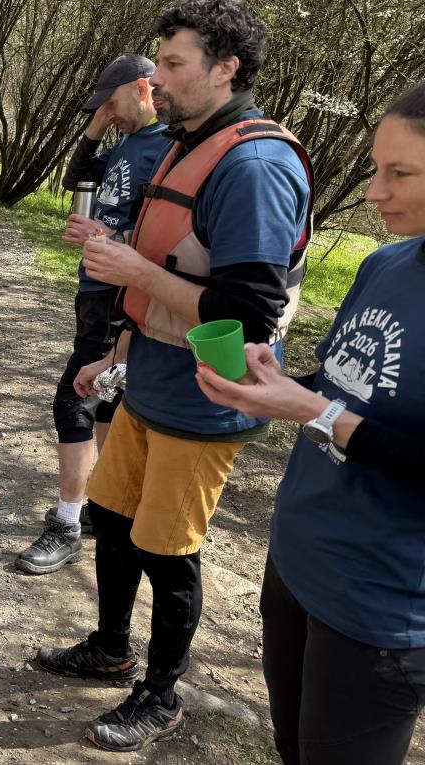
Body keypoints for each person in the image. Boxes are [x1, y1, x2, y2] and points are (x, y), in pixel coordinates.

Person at [33, 0, 313, 752]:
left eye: (173, 63)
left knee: (167, 549)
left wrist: (132, 269)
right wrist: (114, 353)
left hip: (205, 401)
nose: (156, 78)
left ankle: (160, 694)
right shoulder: (187, 144)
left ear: (227, 69)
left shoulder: (254, 165)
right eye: (158, 63)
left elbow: (247, 313)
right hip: (148, 380)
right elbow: (166, 271)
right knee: (112, 520)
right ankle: (109, 647)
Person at [197, 81, 425, 765]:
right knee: (291, 745)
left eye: (401, 173)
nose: (373, 192)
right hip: (299, 560)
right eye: (376, 168)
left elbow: (341, 416)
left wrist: (316, 411)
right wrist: (275, 388)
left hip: (380, 608)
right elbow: (343, 388)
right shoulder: (385, 263)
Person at [16, 53, 170, 575]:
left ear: (143, 88)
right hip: (95, 290)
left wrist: (106, 236)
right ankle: (107, 508)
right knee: (106, 402)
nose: (108, 112)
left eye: (113, 102)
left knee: (74, 400)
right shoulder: (127, 141)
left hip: (120, 296)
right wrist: (98, 125)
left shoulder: (168, 147)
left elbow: (161, 241)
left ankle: (67, 523)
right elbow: (75, 178)